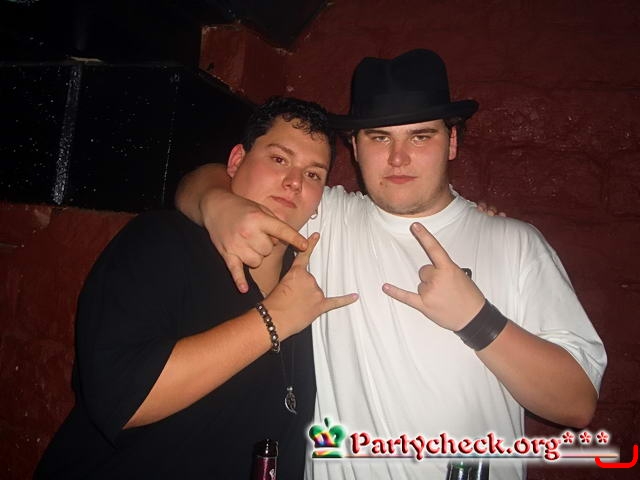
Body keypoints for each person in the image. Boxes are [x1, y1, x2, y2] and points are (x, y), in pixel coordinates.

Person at [175, 50, 607, 480]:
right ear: (355, 147)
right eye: (380, 138)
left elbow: (576, 404)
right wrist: (218, 203)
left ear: (452, 142)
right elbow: (213, 179)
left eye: (420, 137)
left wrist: (476, 319)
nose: (398, 158)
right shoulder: (322, 215)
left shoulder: (515, 243)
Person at [34, 97, 358, 479]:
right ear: (235, 162)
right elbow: (121, 397)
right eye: (278, 159)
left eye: (313, 174)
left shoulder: (310, 282)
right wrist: (272, 320)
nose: (294, 182)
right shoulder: (163, 241)